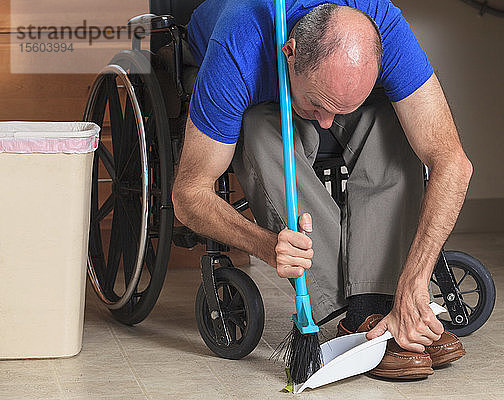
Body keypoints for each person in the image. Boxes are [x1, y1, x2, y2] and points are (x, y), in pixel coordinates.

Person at [173, 0, 472, 379]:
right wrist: (266, 245)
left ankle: (375, 302)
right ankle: (356, 310)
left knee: (390, 122)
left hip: (312, 83)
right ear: (291, 51)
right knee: (263, 130)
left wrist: (414, 281)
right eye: (319, 105)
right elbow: (188, 194)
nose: (329, 123)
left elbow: (452, 162)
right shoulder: (238, 48)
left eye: (340, 110)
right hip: (254, 97)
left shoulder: (383, 25)